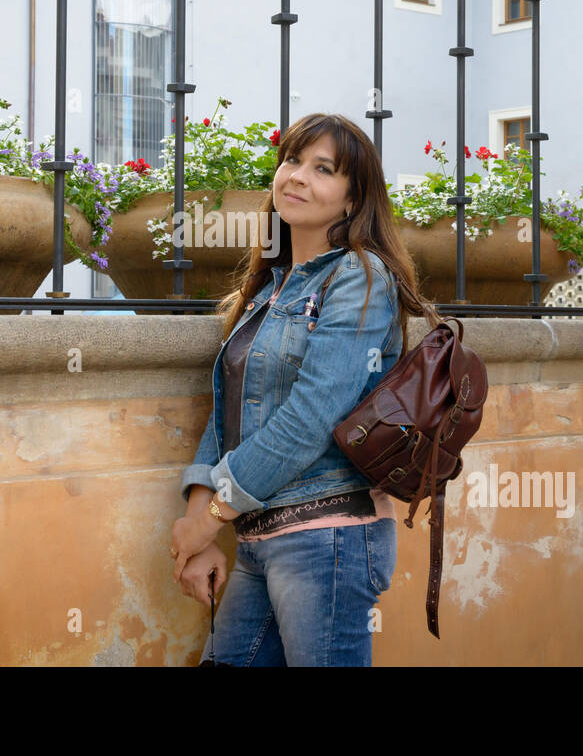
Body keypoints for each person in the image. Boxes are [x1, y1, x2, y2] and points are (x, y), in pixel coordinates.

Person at [170, 112, 442, 666]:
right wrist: (202, 524)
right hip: (257, 537)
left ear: (351, 200)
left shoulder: (360, 278)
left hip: (329, 539)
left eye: (323, 169)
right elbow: (225, 417)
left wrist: (211, 519)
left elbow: (309, 419)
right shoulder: (269, 288)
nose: (297, 176)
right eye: (293, 160)